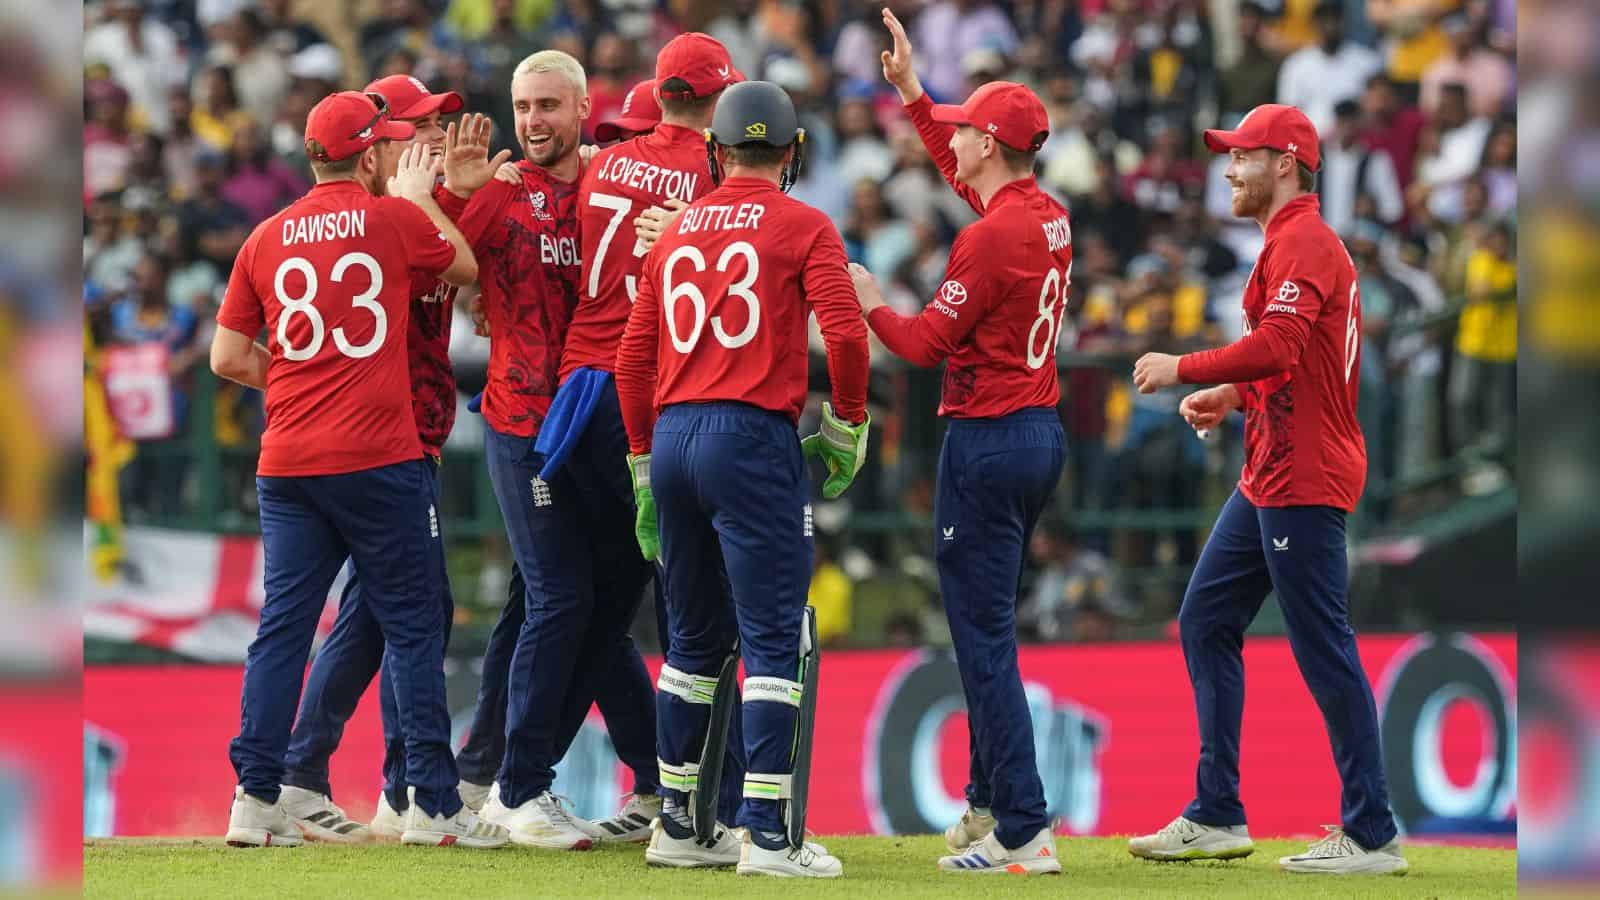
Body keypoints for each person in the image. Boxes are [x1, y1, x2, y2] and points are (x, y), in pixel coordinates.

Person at [211, 90, 506, 850]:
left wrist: (298, 377)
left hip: (286, 460)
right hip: (378, 453)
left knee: (281, 631)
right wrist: (422, 201)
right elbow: (467, 268)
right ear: (372, 153)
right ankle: (434, 809)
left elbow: (227, 357)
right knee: (413, 628)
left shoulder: (265, 236)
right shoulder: (394, 217)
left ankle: (255, 797)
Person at [1127, 103, 1408, 875]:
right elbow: (1293, 364)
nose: (1228, 169)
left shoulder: (1306, 241)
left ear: (1285, 162)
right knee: (1205, 618)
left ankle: (1373, 832)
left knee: (1323, 648)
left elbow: (1280, 343)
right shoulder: (1290, 242)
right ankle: (1217, 810)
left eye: (1242, 156)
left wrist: (1186, 367)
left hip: (1304, 472)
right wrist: (1233, 397)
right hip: (1272, 468)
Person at [614, 79, 867, 878]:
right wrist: (848, 423)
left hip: (677, 432)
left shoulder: (681, 228)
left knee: (689, 645)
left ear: (717, 153)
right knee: (773, 639)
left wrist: (642, 464)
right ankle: (769, 834)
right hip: (753, 435)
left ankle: (680, 825)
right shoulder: (804, 223)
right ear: (792, 152)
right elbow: (848, 336)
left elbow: (631, 359)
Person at [853, 8, 1067, 876]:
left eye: (966, 128)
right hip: (1038, 435)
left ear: (989, 141)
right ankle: (988, 798)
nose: (956, 140)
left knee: (982, 639)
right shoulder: (1043, 214)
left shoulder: (987, 239)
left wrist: (867, 296)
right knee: (994, 627)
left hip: (984, 442)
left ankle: (1024, 827)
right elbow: (965, 168)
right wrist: (913, 92)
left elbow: (920, 347)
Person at [534, 35, 745, 846]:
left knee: (595, 606)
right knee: (695, 611)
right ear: (723, 101)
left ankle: (528, 779)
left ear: (657, 96)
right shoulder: (716, 177)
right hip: (659, 398)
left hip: (577, 397)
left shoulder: (606, 164)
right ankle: (708, 809)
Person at [431, 49, 605, 851]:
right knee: (567, 597)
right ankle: (516, 789)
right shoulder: (500, 193)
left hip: (595, 427)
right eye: (523, 106)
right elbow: (432, 269)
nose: (533, 121)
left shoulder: (611, 184)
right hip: (522, 422)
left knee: (546, 602)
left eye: (547, 106)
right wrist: (453, 196)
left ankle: (482, 771)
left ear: (581, 107)